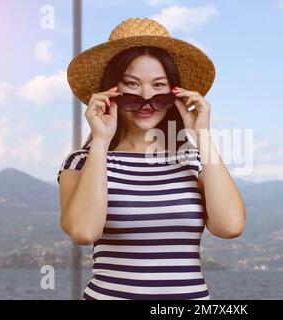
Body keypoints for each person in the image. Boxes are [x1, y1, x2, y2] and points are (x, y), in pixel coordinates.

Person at [57, 17, 245, 300]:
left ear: (174, 93)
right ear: (112, 91)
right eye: (132, 84)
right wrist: (101, 141)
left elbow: (229, 226)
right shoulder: (81, 163)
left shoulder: (193, 160)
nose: (146, 97)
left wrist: (202, 135)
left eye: (159, 86)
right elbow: (84, 232)